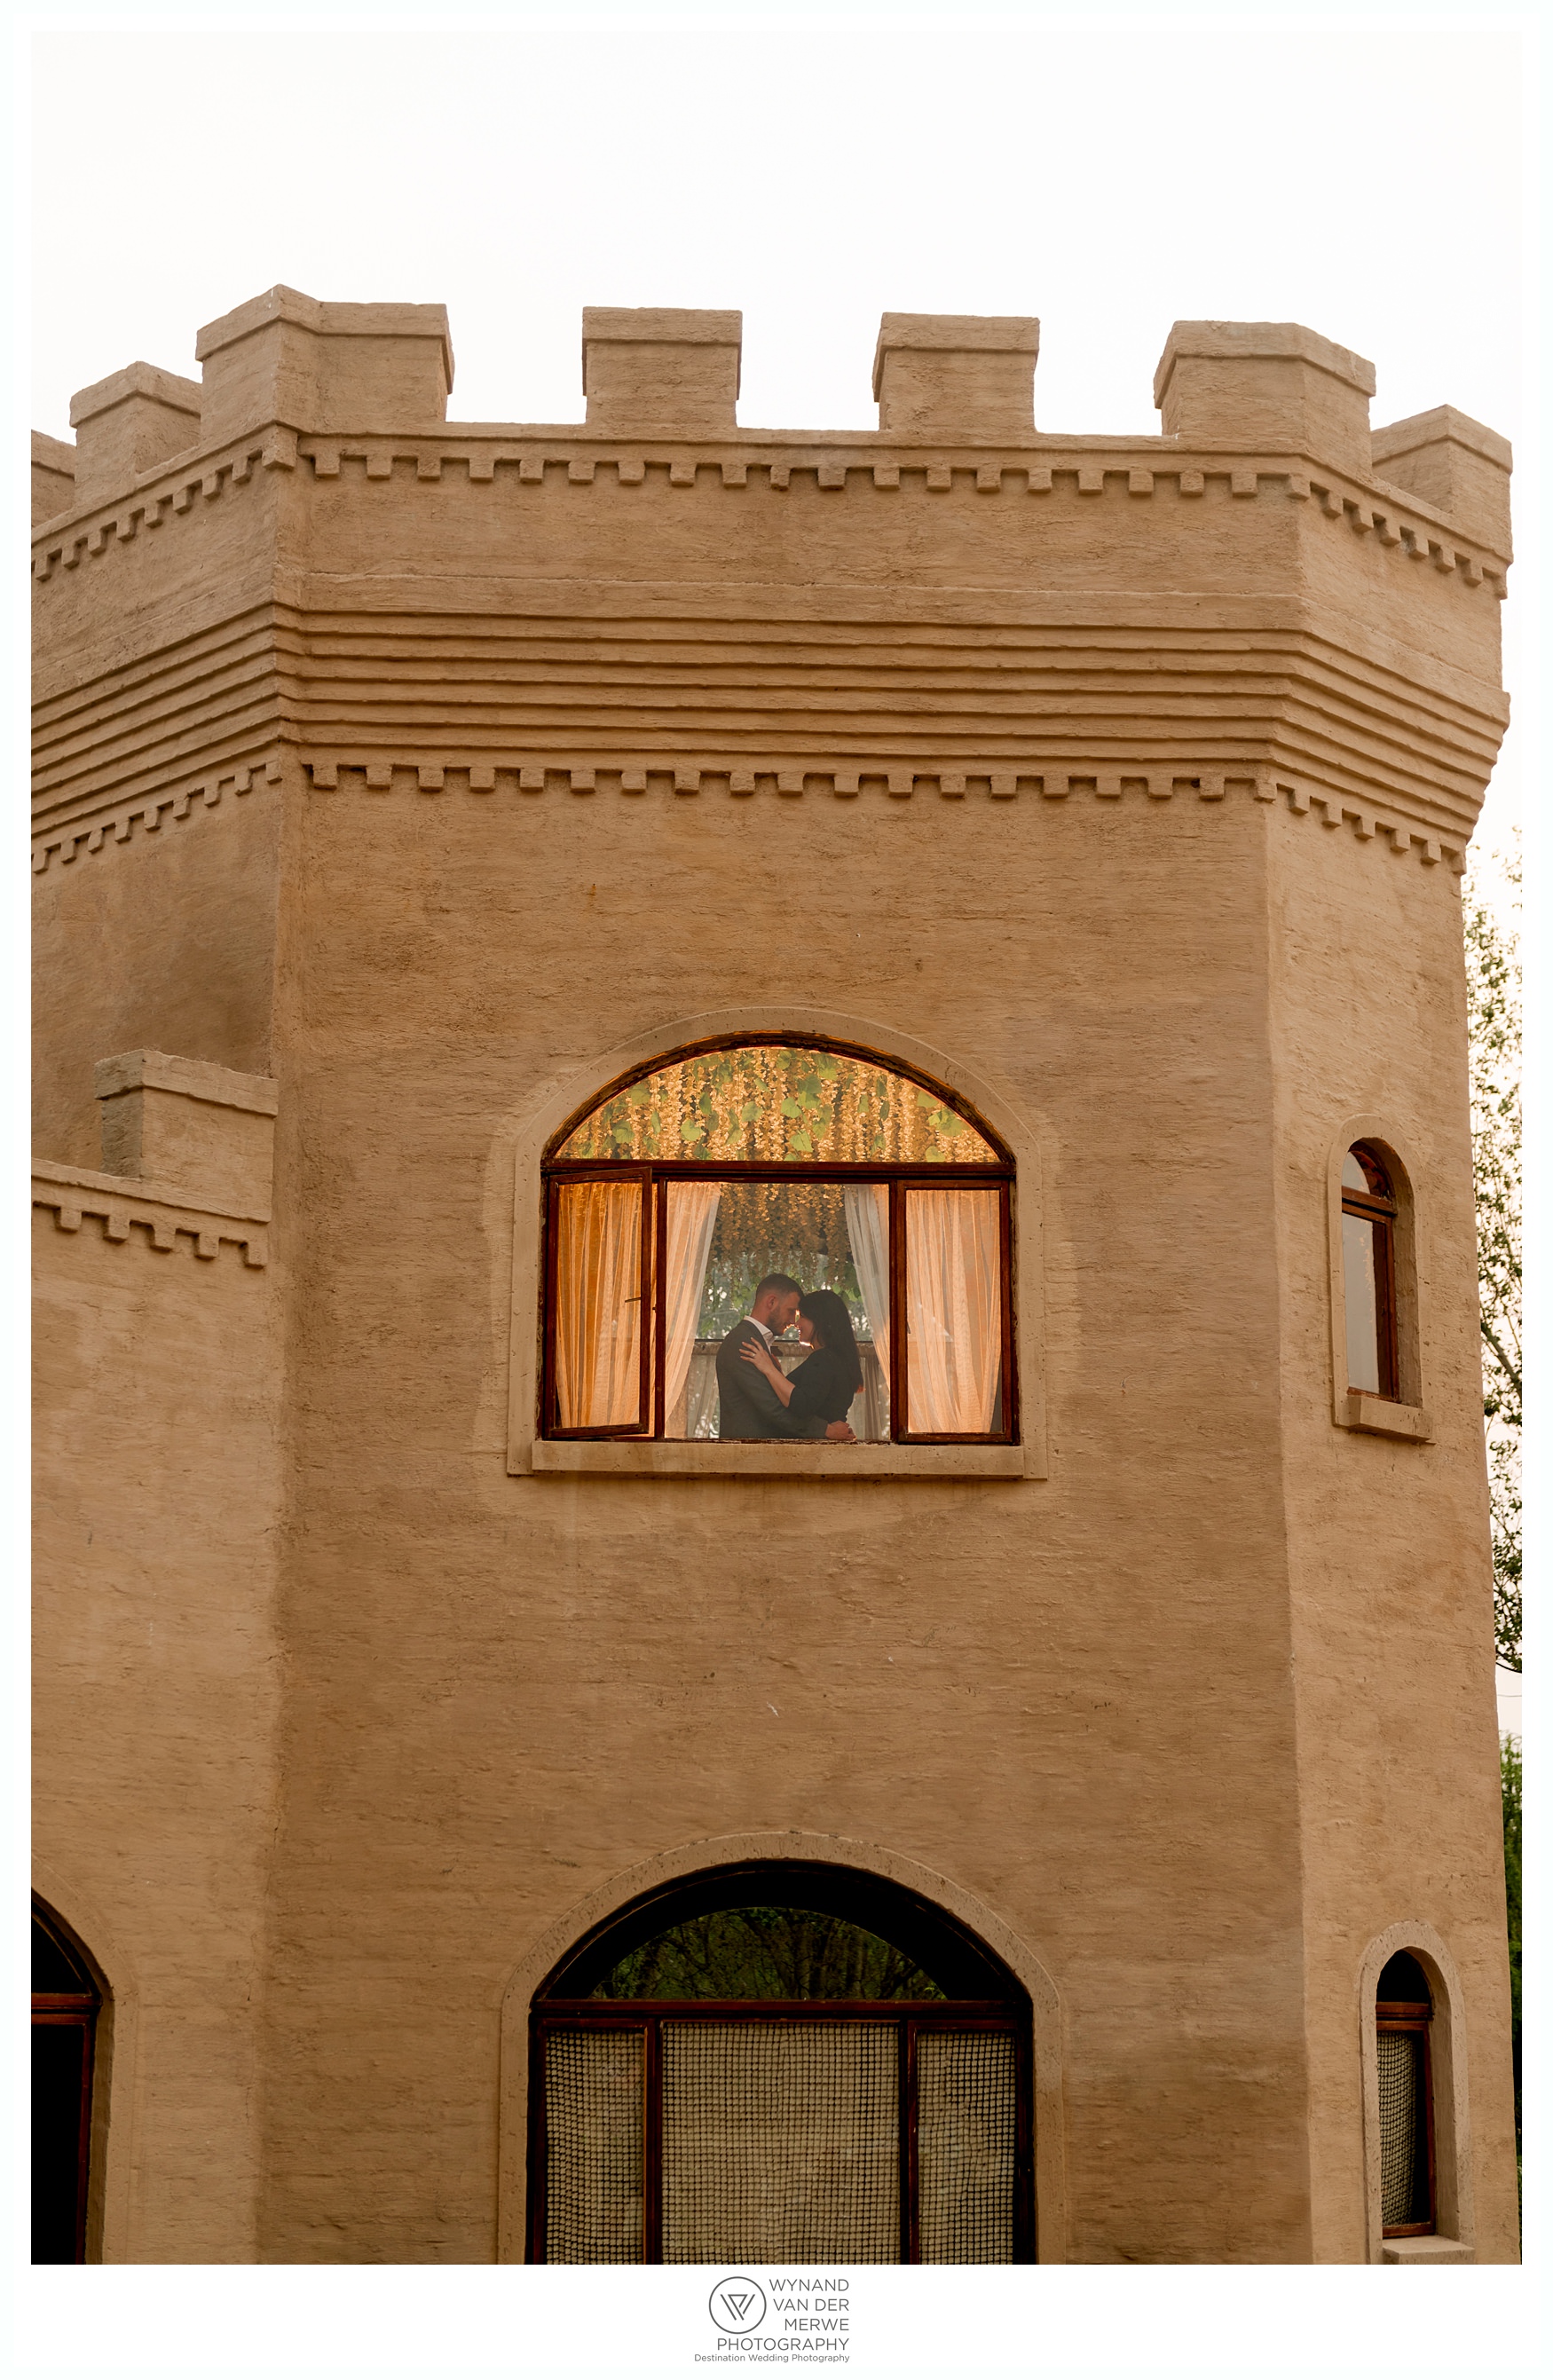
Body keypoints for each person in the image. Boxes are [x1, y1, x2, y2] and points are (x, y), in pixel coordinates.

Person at [715, 1274, 856, 1441]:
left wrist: (775, 1373)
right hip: (748, 1454)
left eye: (800, 1315)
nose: (793, 1322)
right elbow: (772, 1406)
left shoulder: (756, 1341)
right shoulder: (744, 1341)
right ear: (771, 1302)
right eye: (792, 1312)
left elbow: (792, 1401)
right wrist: (825, 1430)